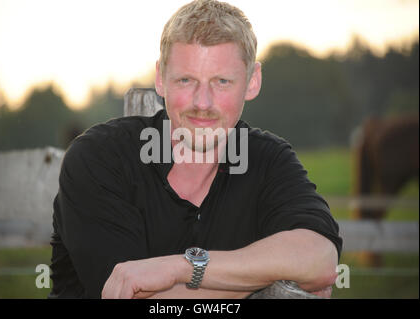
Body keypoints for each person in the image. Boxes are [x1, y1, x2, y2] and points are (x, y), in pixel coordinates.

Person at [49, 0, 342, 299]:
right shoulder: (100, 158)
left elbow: (320, 259)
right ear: (161, 79)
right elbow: (133, 296)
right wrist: (260, 280)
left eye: (222, 81)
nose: (202, 103)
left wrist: (183, 268)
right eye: (186, 80)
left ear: (252, 82)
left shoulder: (269, 160)